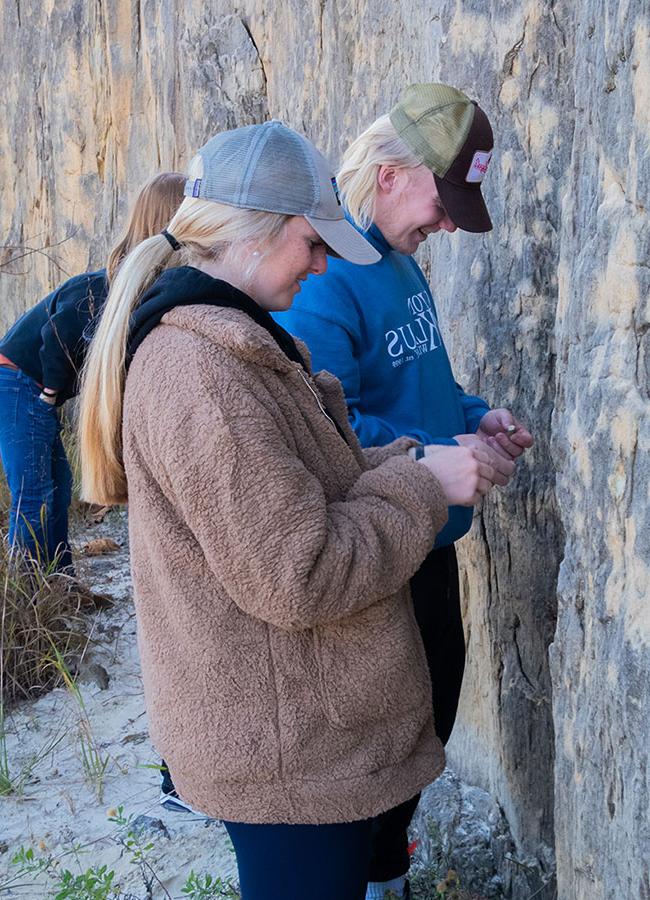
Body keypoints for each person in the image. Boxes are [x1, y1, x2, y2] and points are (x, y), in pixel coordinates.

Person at [77, 120, 502, 900]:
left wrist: (417, 459)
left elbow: (312, 481)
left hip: (298, 747)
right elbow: (299, 572)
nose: (318, 261)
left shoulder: (228, 346)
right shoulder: (202, 373)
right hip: (289, 763)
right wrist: (421, 485)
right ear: (257, 232)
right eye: (310, 241)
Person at [273, 84, 534, 899]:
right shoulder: (324, 280)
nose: (448, 224)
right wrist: (434, 455)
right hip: (378, 552)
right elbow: (330, 429)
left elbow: (423, 388)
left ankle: (388, 872)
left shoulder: (399, 267)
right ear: (389, 174)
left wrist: (476, 418)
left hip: (433, 546)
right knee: (377, 752)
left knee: (428, 728)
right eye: (441, 200)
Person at [0, 173, 186, 571]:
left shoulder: (131, 284)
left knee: (58, 486)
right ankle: (30, 586)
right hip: (16, 381)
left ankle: (59, 578)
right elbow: (57, 332)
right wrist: (50, 394)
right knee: (34, 491)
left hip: (24, 382)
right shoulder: (107, 288)